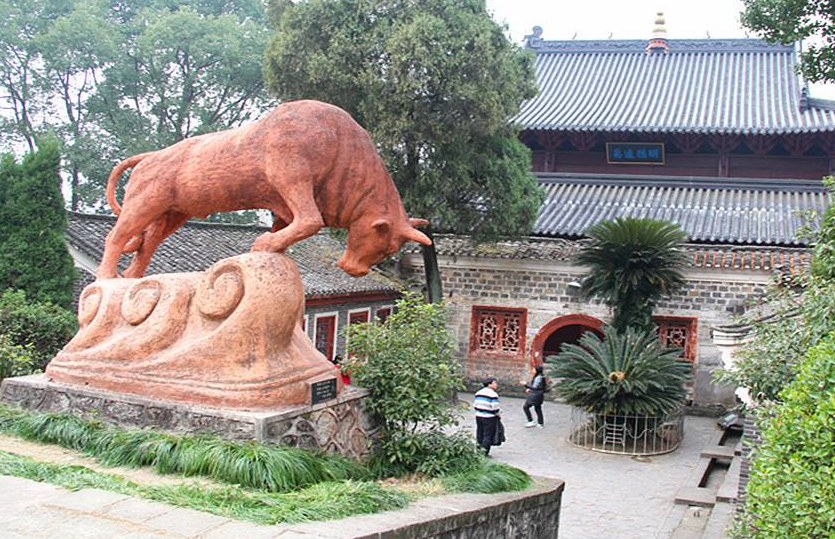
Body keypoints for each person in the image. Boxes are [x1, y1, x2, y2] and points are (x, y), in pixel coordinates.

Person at [473, 377, 501, 455]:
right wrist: (498, 414)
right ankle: (484, 453)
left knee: (480, 433)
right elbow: (495, 407)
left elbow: (475, 404)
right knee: (488, 435)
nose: (496, 385)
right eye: (495, 383)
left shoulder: (478, 393)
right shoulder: (493, 394)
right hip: (489, 417)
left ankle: (478, 451)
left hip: (478, 415)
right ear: (489, 384)